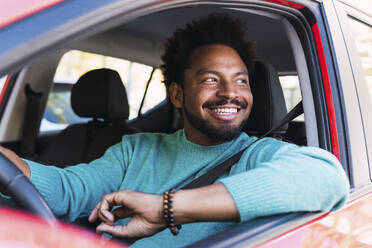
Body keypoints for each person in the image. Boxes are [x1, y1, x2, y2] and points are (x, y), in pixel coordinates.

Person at [0, 13, 349, 247]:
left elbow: (328, 177)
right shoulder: (135, 150)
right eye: (211, 79)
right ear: (178, 94)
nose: (230, 92)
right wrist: (14, 167)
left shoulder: (259, 156)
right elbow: (70, 190)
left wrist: (167, 208)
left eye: (240, 80)